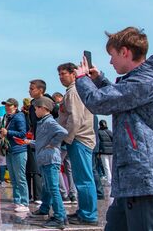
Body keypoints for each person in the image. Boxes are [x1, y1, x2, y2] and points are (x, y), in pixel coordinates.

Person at [75, 27, 153, 231]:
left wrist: (82, 79)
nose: (111, 62)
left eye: (112, 55)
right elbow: (121, 99)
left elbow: (99, 102)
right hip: (133, 175)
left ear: (125, 52)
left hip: (142, 174)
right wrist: (99, 80)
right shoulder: (141, 81)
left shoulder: (144, 82)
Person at [57, 62, 98, 225]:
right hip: (78, 139)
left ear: (74, 73)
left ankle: (89, 215)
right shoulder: (72, 91)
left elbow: (75, 119)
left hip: (79, 139)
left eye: (64, 73)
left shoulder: (74, 91)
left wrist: (66, 138)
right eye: (59, 74)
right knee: (81, 178)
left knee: (84, 179)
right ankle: (84, 210)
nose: (61, 77)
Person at [23, 96, 68, 230]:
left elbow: (63, 132)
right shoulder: (43, 122)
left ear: (44, 108)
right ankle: (46, 209)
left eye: (36, 108)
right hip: (44, 159)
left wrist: (53, 144)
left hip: (50, 159)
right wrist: (30, 142)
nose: (35, 111)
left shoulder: (49, 122)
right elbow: (42, 142)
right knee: (48, 187)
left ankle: (60, 217)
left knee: (53, 188)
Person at [0, 98, 29, 213]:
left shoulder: (19, 116)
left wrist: (8, 133)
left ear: (15, 107)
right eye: (6, 105)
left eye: (9, 105)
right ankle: (17, 201)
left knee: (20, 178)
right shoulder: (7, 118)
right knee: (13, 178)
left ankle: (25, 202)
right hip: (10, 150)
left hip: (19, 150)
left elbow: (23, 133)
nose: (7, 107)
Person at [26, 80, 45, 203]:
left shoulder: (47, 102)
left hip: (45, 141)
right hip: (35, 140)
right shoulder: (32, 104)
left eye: (32, 88)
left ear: (40, 90)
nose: (29, 91)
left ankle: (41, 197)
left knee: (42, 171)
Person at [97, 119, 113, 187]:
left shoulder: (98, 132)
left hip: (103, 152)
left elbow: (99, 143)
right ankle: (113, 180)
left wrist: (98, 152)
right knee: (111, 167)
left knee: (106, 167)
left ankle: (109, 181)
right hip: (111, 151)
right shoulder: (110, 132)